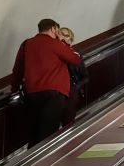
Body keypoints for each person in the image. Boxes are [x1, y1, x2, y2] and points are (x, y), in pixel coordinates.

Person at [12, 18, 81, 147]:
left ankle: (30, 161)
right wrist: (63, 42)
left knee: (34, 130)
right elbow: (75, 58)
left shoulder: (27, 44)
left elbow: (17, 69)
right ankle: (45, 162)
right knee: (48, 131)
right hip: (55, 93)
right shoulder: (56, 44)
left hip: (32, 93)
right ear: (53, 28)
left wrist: (14, 89)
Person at [58, 27, 88, 127]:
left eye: (66, 36)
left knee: (68, 121)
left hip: (71, 91)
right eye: (60, 34)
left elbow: (85, 76)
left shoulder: (75, 55)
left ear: (71, 41)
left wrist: (75, 86)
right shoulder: (53, 55)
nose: (63, 38)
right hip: (56, 92)